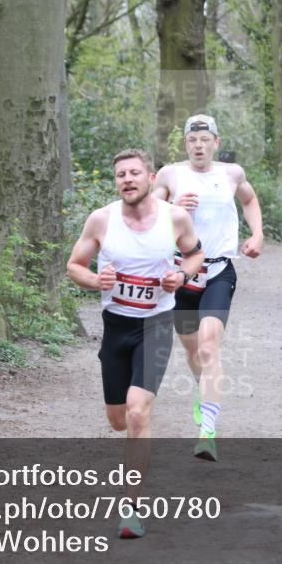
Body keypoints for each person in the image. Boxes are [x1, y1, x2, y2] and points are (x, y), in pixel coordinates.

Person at [67, 149, 203, 538]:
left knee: (139, 412)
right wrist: (96, 281)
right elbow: (74, 265)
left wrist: (181, 274)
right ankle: (135, 443)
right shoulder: (101, 220)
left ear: (150, 177)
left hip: (156, 325)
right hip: (116, 328)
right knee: (118, 419)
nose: (127, 179)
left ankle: (131, 507)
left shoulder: (175, 217)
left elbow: (196, 255)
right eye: (120, 175)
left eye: (133, 173)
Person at [153, 114, 264, 462]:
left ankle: (208, 432)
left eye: (205, 140)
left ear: (216, 142)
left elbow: (249, 200)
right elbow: (146, 209)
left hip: (218, 271)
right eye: (192, 140)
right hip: (182, 273)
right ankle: (206, 399)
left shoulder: (232, 173)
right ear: (185, 144)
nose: (198, 146)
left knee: (209, 345)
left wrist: (257, 233)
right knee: (193, 351)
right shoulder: (171, 174)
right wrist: (171, 207)